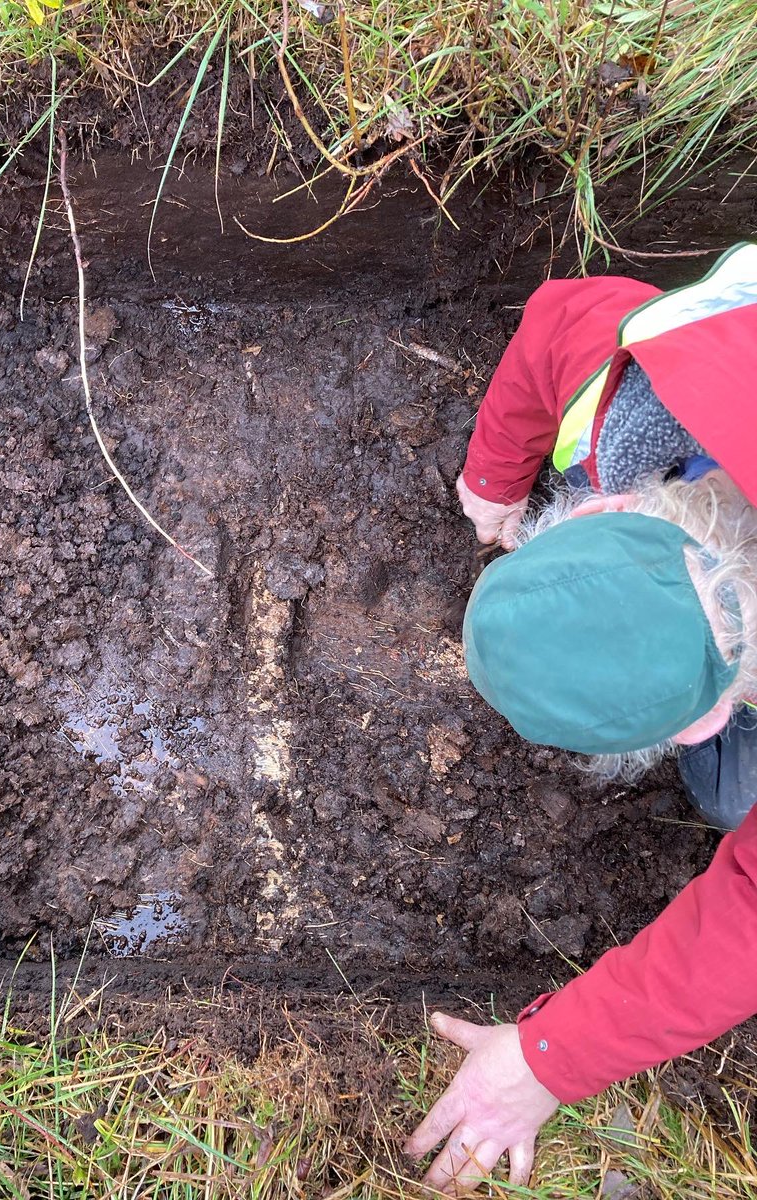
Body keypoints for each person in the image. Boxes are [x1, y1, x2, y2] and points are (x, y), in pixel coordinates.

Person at [404, 242, 757, 1194]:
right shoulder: (648, 395)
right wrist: (496, 475)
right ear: (605, 509)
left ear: (712, 714)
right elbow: (564, 317)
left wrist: (549, 1060)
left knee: (738, 801)